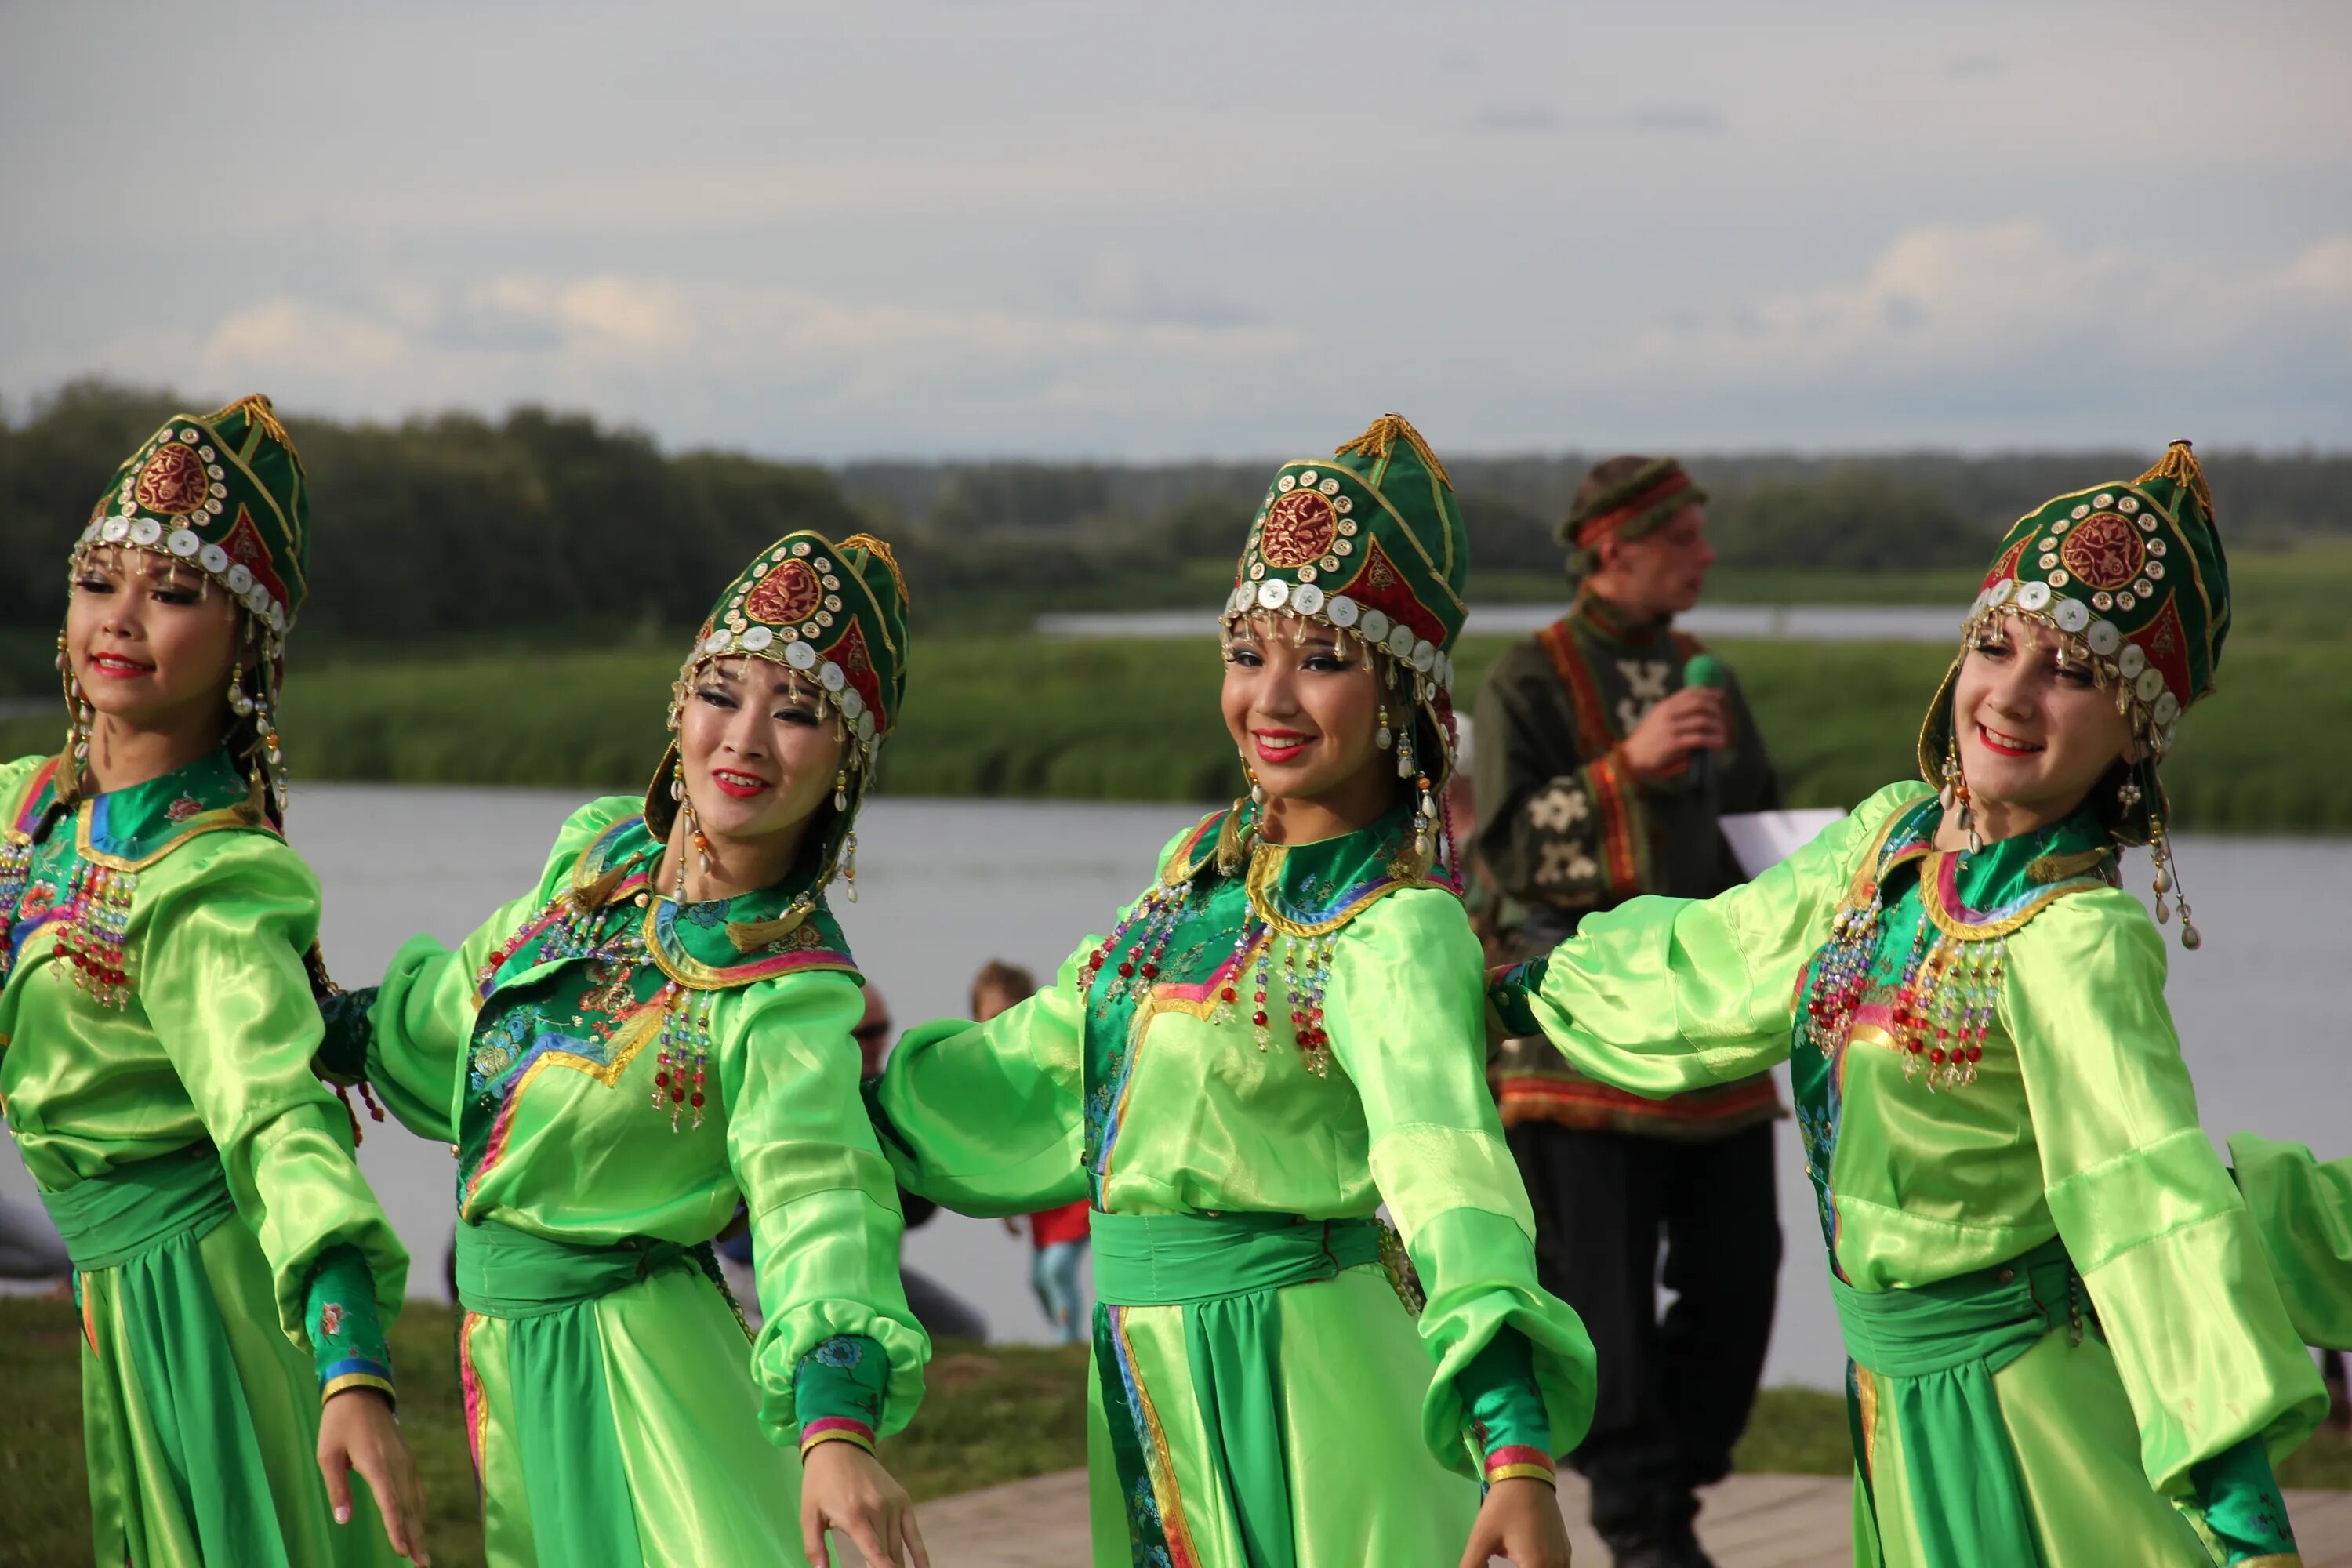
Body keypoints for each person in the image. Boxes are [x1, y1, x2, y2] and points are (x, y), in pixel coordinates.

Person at [1489, 444, 2326, 1566]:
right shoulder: (1885, 844)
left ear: (2139, 730)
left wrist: (2242, 1514)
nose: (2013, 697)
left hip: (2028, 1413)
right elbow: (1712, 960)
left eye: (2074, 674)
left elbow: (2146, 1209)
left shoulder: (2074, 937)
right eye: (1995, 645)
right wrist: (1493, 992)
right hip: (1889, 1399)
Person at [871, 415, 1595, 1568]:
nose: (1273, 698)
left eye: (1323, 661)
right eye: (1248, 654)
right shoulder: (1191, 882)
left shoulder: (1395, 927)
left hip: (1308, 1380)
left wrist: (1511, 1444)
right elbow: (1045, 1068)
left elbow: (1450, 1172)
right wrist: (834, 1103)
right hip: (1150, 1381)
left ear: (1402, 693)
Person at [319, 528, 930, 1567]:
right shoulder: (597, 855)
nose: (743, 740)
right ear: (679, 703)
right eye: (721, 693)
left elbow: (816, 1188)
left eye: (795, 714)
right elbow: (458, 1019)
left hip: (648, 1365)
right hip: (505, 1352)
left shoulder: (785, 983)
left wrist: (835, 1423)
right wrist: (318, 1024)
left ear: (846, 765)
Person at [0, 397, 427, 1565]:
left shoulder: (214, 876)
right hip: (118, 1294)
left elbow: (278, 1118)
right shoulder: (24, 811)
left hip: (217, 1299)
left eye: (174, 594)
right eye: (101, 582)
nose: (121, 621)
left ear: (247, 646)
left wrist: (351, 1363)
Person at [1473, 454, 1784, 1567]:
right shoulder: (1530, 678)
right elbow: (1503, 845)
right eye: (1686, 539)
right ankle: (1643, 1522)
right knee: (1600, 1296)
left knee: (1742, 1280)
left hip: (1712, 1030)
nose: (1706, 557)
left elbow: (1757, 828)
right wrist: (1627, 769)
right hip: (1576, 1039)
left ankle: (1671, 1481)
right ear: (1615, 550)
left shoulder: (1711, 675)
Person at [978, 960, 1092, 1344]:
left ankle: (1066, 1339)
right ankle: (1064, 1339)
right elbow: (1005, 1148)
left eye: (1012, 1013)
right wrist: (1006, 1204)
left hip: (1072, 1183)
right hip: (1041, 1199)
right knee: (1038, 1279)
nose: (1002, 1024)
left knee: (1057, 1269)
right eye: (992, 1016)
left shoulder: (1046, 1060)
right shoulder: (991, 1078)